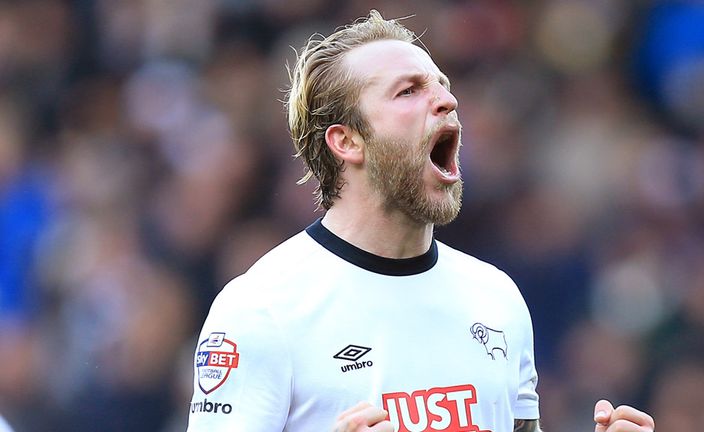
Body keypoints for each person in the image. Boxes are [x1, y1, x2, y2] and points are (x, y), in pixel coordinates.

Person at [186, 10, 655, 432]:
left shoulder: (495, 298)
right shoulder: (262, 310)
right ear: (347, 141)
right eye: (408, 91)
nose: (446, 102)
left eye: (443, 87)